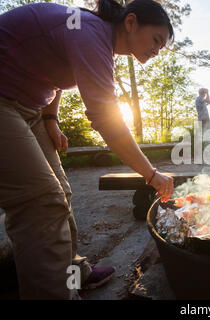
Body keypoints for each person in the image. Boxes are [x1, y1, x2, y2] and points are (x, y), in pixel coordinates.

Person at [0, 0, 174, 299]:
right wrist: (151, 174)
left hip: (28, 108)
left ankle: (71, 274)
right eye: (156, 40)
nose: (157, 50)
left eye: (162, 47)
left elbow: (58, 73)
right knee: (41, 202)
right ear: (131, 22)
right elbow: (107, 121)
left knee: (61, 194)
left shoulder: (94, 38)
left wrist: (50, 118)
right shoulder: (91, 32)